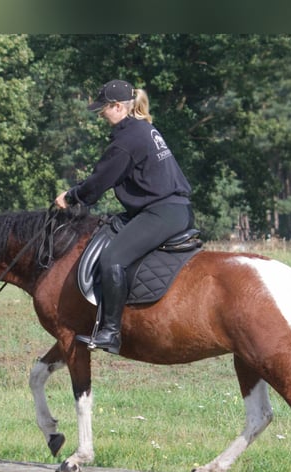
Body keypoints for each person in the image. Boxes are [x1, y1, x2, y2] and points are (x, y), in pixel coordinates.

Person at [55, 79, 195, 354]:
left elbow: (98, 182)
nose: (100, 115)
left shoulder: (127, 140)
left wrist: (71, 197)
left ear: (118, 107)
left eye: (103, 109)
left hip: (162, 212)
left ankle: (111, 332)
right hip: (171, 209)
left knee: (112, 258)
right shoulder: (143, 129)